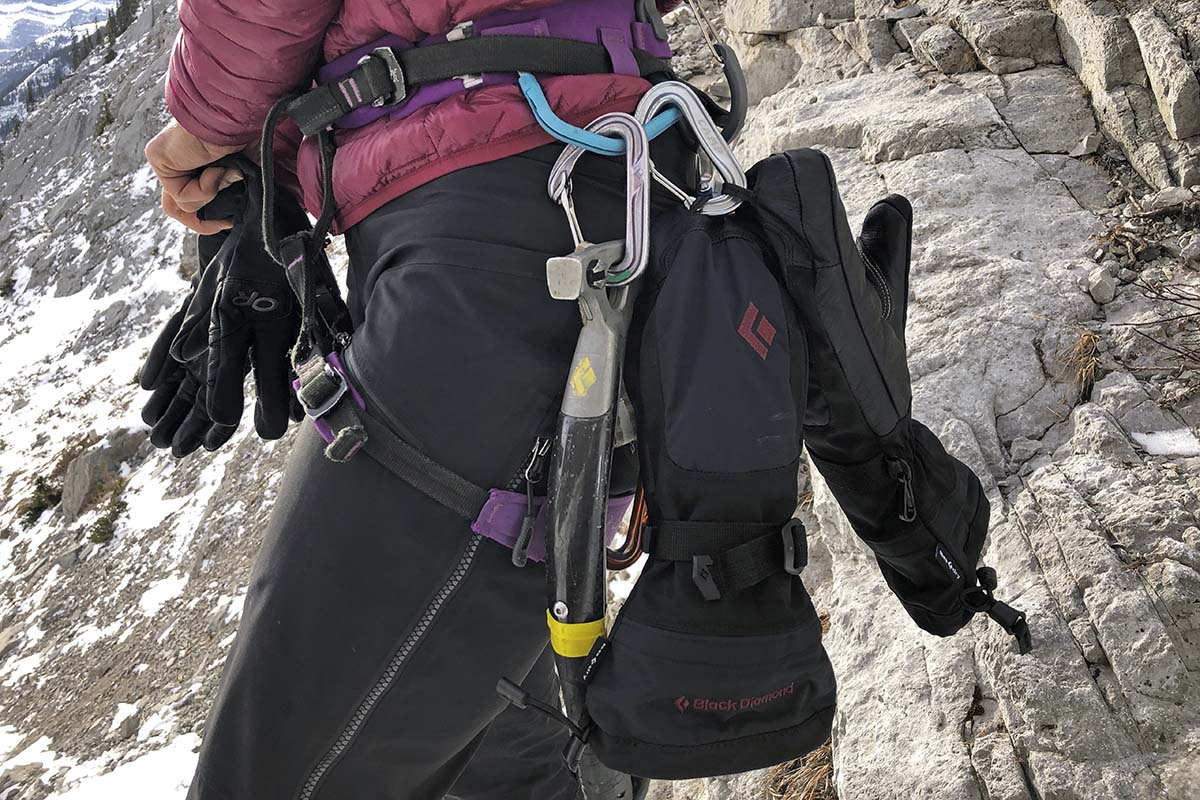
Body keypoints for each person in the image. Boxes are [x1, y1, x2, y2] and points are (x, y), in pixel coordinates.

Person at [144, 1, 690, 798]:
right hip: (585, 176)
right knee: (509, 746)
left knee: (275, 775)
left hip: (490, 229)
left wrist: (209, 126)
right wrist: (284, 158)